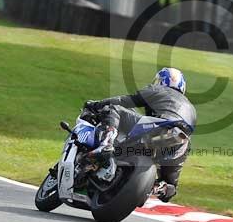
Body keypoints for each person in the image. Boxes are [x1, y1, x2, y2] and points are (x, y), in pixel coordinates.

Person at [83, 68, 196, 202]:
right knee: (170, 185)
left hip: (160, 125)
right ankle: (158, 188)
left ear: (160, 81)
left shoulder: (158, 90)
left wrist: (96, 104)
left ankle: (107, 142)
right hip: (181, 141)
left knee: (115, 109)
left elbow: (125, 100)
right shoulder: (191, 108)